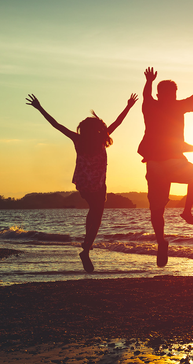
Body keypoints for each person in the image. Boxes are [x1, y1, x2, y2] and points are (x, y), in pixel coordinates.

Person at [26, 93, 138, 272]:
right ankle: (86, 248)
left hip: (84, 184)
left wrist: (40, 108)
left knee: (93, 210)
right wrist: (128, 106)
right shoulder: (102, 137)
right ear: (96, 129)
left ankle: (87, 245)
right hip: (98, 184)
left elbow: (57, 125)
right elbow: (118, 122)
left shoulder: (78, 139)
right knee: (97, 214)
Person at [138, 63, 193, 266]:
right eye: (172, 93)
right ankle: (186, 210)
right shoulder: (174, 106)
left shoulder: (152, 105)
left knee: (156, 210)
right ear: (167, 94)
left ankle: (161, 241)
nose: (173, 96)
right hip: (170, 163)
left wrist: (148, 82)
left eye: (174, 93)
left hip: (157, 165)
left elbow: (147, 97)